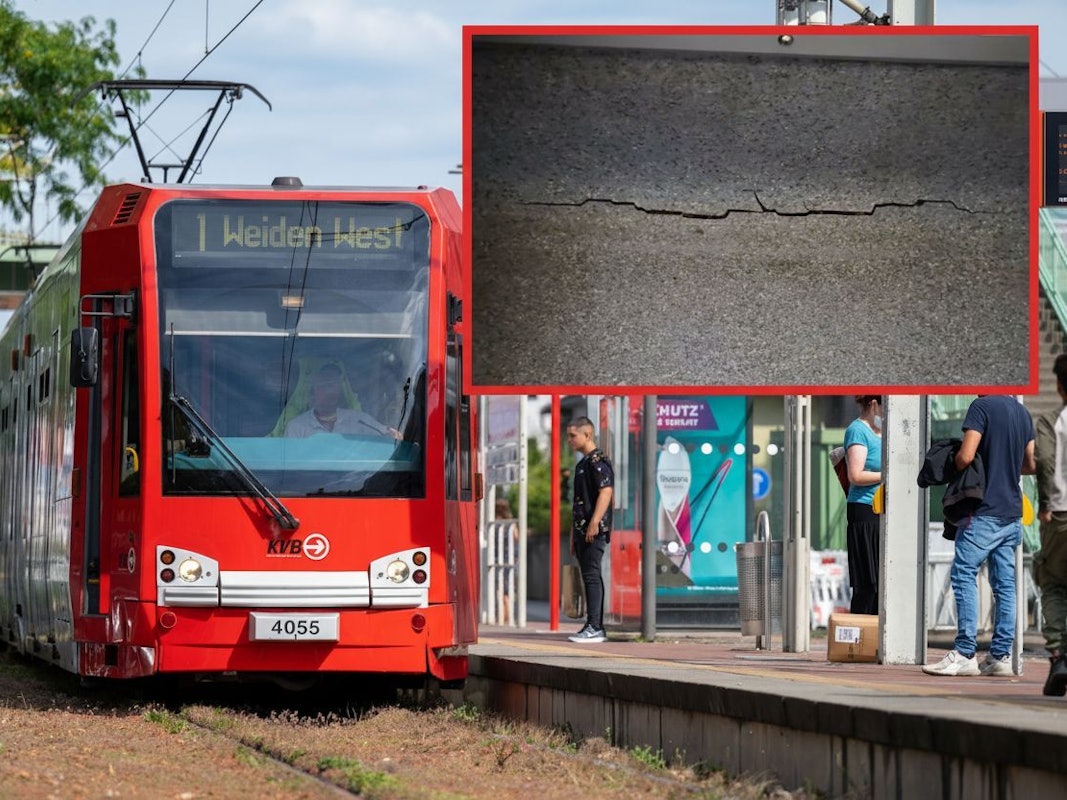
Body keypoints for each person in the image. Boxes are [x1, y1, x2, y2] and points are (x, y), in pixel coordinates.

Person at [922, 394, 1035, 678]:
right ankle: (999, 656)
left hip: (983, 509)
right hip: (1011, 510)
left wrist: (956, 461)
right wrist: (1004, 466)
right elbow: (1031, 463)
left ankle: (964, 653)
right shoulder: (1022, 412)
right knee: (1005, 585)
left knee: (963, 575)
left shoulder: (981, 407)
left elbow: (966, 456)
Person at [1035, 355, 1067, 696]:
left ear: (1059, 386)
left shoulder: (1050, 422)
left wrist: (1044, 503)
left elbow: (1044, 460)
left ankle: (1059, 656)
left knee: (1054, 583)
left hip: (1059, 516)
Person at [566, 416, 614, 644]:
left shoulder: (597, 461)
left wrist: (595, 522)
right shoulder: (582, 464)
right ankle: (591, 624)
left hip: (594, 529)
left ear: (587, 435)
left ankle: (596, 626)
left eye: (573, 435)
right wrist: (573, 535)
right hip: (583, 530)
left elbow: (606, 491)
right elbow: (578, 502)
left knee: (592, 575)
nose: (569, 440)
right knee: (588, 575)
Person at [844, 395, 883, 615]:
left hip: (881, 509)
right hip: (865, 509)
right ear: (874, 403)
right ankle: (859, 638)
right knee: (868, 581)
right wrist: (886, 475)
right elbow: (855, 475)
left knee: (881, 582)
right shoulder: (857, 430)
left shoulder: (881, 432)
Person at [284, 363, 399, 439]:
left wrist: (393, 435)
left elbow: (388, 436)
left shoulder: (360, 420)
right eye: (323, 386)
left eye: (333, 386)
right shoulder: (296, 426)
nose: (329, 392)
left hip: (361, 476)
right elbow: (290, 464)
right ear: (312, 393)